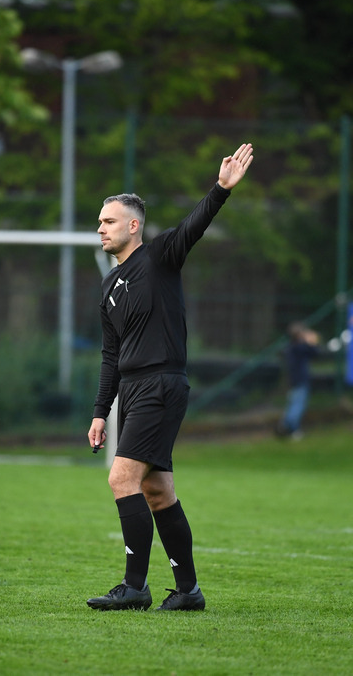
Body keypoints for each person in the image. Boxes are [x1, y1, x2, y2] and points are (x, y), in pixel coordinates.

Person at [86, 143, 254, 612]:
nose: (100, 228)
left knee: (121, 478)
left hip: (161, 384)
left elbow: (192, 227)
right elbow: (110, 356)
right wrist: (100, 412)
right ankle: (188, 592)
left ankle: (134, 587)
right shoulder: (109, 285)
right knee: (157, 491)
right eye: (99, 221)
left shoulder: (160, 256)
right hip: (133, 391)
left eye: (109, 221)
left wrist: (220, 189)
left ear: (133, 226)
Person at [277, 323, 319, 439]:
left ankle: (285, 426)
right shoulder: (299, 348)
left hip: (293, 380)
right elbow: (315, 353)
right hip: (300, 380)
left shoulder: (291, 347)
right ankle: (292, 429)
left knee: (293, 403)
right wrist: (312, 342)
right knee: (298, 405)